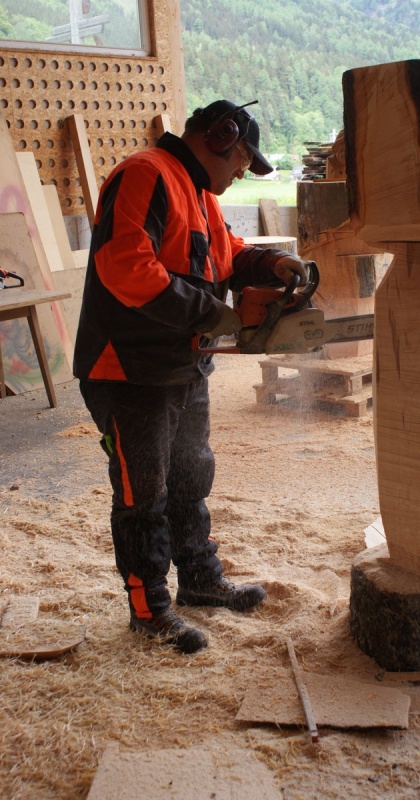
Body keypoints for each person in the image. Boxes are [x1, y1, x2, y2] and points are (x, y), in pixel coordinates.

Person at [73, 99, 308, 654]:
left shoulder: (199, 193)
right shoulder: (145, 174)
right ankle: (150, 609)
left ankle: (200, 578)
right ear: (221, 138)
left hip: (183, 364)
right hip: (130, 368)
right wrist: (210, 314)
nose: (239, 175)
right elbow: (126, 264)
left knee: (189, 477)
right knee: (143, 494)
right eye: (242, 162)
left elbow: (225, 255)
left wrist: (270, 264)